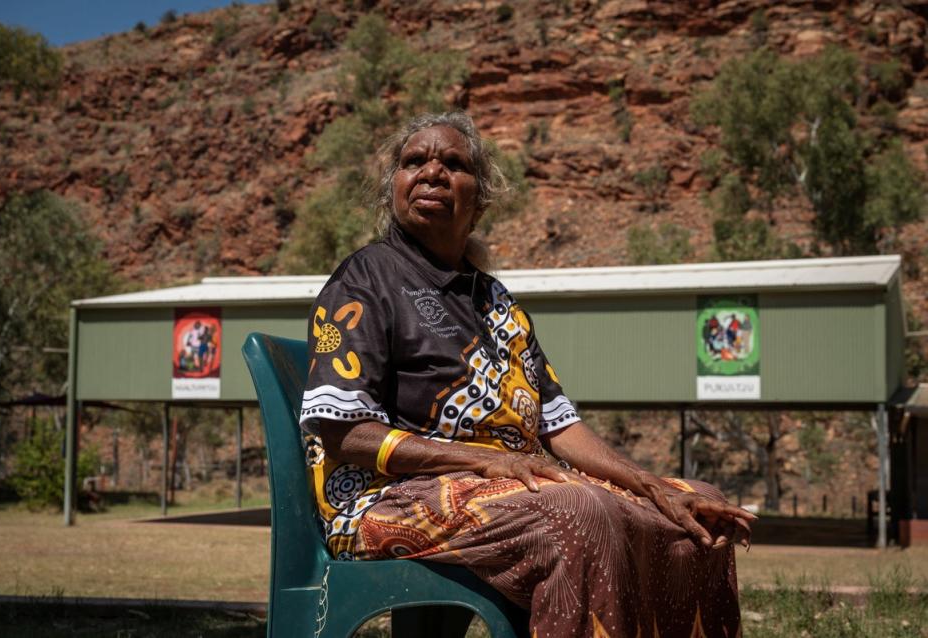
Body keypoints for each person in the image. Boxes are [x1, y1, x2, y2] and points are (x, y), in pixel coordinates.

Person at [299, 111, 754, 637]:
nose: (431, 172)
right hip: (385, 497)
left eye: (453, 163)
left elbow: (560, 428)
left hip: (503, 484)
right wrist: (492, 462)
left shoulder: (497, 301)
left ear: (480, 198)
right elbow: (344, 430)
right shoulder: (367, 278)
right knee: (577, 511)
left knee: (697, 512)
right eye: (413, 161)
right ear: (393, 189)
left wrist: (653, 486)